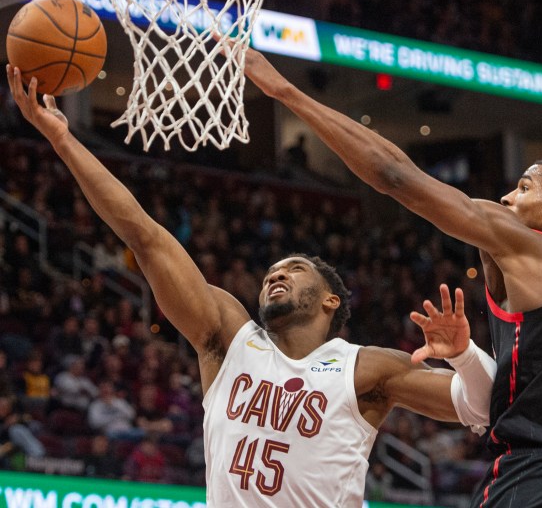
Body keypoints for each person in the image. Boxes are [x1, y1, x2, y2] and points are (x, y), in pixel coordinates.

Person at [5, 66, 495, 506]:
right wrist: (63, 141)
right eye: (271, 272)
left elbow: (483, 406)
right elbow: (143, 234)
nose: (275, 275)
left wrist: (465, 354)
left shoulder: (365, 367)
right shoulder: (226, 338)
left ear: (331, 299)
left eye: (295, 268)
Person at [241, 47, 542, 506]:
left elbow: (396, 176)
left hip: (540, 472)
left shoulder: (532, 246)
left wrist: (284, 91)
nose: (509, 198)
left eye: (525, 188)